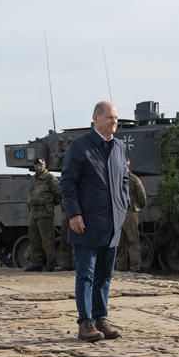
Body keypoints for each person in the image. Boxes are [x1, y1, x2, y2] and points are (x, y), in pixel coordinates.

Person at [60, 101, 129, 342]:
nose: (115, 122)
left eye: (117, 118)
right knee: (86, 274)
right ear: (95, 118)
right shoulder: (80, 146)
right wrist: (74, 214)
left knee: (105, 275)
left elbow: (124, 180)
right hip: (86, 221)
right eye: (110, 117)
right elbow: (67, 182)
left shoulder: (119, 147)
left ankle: (101, 318)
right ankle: (85, 322)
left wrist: (123, 206)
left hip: (112, 222)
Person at [25, 158, 62, 272]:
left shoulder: (50, 178)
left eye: (41, 165)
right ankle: (37, 263)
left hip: (45, 212)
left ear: (45, 165)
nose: (38, 167)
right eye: (36, 165)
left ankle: (50, 264)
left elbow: (58, 195)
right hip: (34, 212)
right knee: (34, 238)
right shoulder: (34, 179)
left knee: (47, 239)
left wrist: (49, 204)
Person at [115, 159, 147, 272]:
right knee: (133, 241)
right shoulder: (134, 180)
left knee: (120, 243)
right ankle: (134, 268)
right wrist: (138, 208)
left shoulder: (115, 179)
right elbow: (142, 198)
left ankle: (121, 267)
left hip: (118, 214)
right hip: (130, 213)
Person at [55, 202, 75, 271]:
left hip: (78, 213)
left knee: (79, 241)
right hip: (65, 214)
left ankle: (80, 263)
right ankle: (67, 264)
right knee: (64, 239)